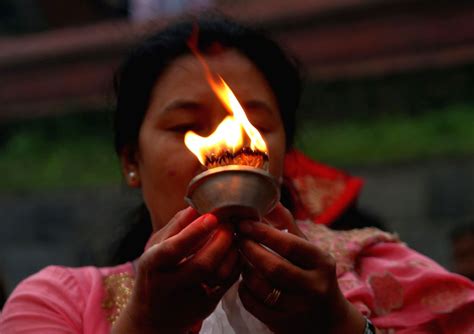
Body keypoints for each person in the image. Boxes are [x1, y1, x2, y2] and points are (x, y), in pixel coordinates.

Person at [1, 15, 474, 334]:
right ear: (131, 161)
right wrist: (146, 324)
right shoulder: (59, 303)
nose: (227, 147)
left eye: (255, 124)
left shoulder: (380, 271)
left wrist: (341, 326)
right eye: (186, 126)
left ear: (286, 154)